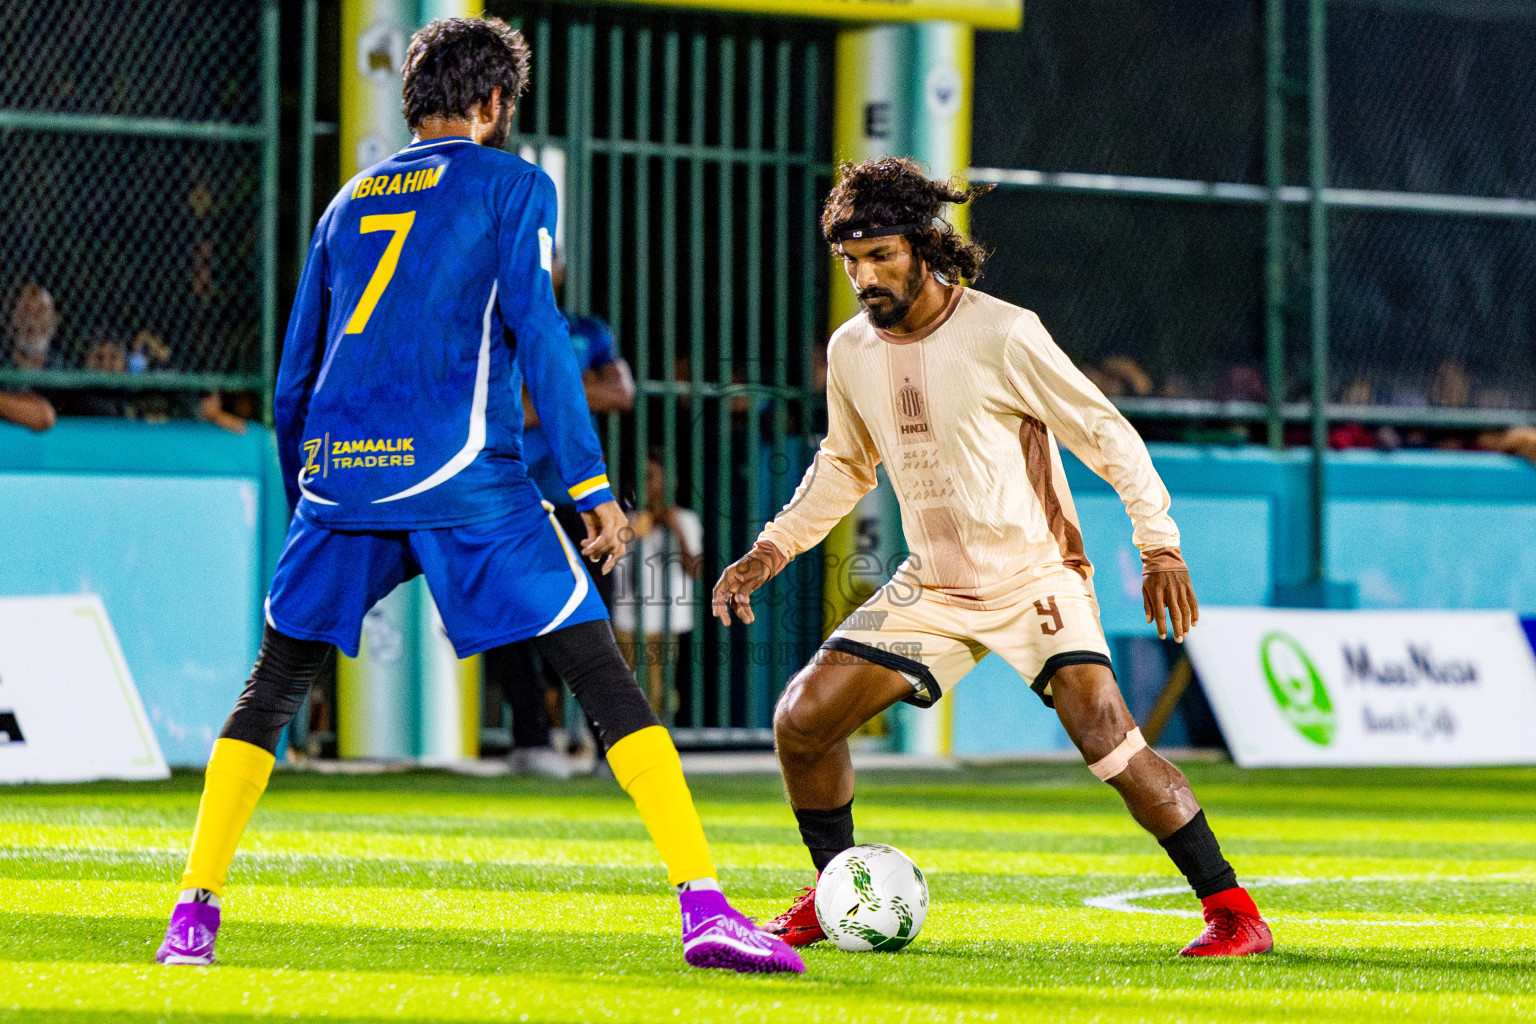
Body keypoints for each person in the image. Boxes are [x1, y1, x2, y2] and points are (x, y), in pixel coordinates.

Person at [154, 16, 801, 976]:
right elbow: (540, 336)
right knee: (599, 670)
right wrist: (589, 486)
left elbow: (294, 374)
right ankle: (704, 907)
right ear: (496, 104)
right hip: (469, 483)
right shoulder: (515, 185)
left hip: (341, 481)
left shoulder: (346, 202)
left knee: (273, 689)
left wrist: (314, 490)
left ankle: (192, 918)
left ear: (416, 99)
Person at [712, 157, 1273, 958]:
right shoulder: (851, 350)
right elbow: (844, 463)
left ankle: (1232, 911)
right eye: (849, 261)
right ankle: (838, 891)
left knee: (1106, 735)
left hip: (1034, 575)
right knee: (803, 720)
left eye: (880, 256)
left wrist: (1160, 544)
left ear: (922, 245)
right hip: (933, 586)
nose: (863, 276)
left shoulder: (1004, 332)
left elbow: (1106, 436)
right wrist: (770, 548)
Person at [486, 256, 635, 778]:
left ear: (562, 268)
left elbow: (623, 392)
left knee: (595, 622)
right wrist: (569, 396)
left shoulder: (586, 328)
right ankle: (532, 740)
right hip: (506, 498)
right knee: (507, 623)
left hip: (575, 500)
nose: (539, 264)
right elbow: (490, 411)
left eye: (547, 256)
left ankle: (612, 749)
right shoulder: (486, 326)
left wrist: (544, 398)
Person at [613, 452, 704, 715]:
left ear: (668, 481)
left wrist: (675, 528)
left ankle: (655, 743)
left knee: (660, 694)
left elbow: (695, 570)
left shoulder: (684, 519)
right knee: (631, 691)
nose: (646, 483)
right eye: (640, 477)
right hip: (626, 619)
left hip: (666, 622)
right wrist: (632, 532)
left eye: (652, 476)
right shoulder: (622, 519)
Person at [0, 281, 60, 431]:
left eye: (41, 310)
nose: (32, 319)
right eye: (25, 310)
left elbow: (43, 417)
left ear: (53, 320)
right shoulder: (3, 360)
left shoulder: (62, 366)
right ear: (12, 318)